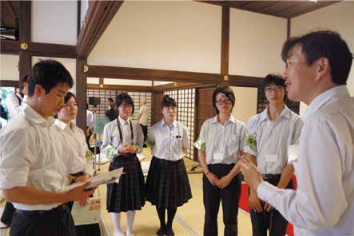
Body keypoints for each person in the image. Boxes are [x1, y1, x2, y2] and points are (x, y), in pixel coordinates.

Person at [241, 30, 353, 236]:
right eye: (269, 89)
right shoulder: (345, 110)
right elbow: (250, 152)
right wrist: (255, 187)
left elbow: (316, 213)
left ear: (321, 67)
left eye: (290, 63)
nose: (285, 74)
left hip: (279, 184)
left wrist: (262, 187)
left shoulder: (316, 122)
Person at [0, 60, 95, 236]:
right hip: (35, 223)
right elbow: (13, 192)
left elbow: (49, 171)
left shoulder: (50, 125)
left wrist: (73, 182)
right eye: (60, 95)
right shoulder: (20, 130)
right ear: (38, 90)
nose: (62, 102)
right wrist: (68, 196)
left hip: (59, 215)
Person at [243, 74, 303, 236]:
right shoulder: (253, 122)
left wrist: (278, 192)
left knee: (278, 231)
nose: (273, 92)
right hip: (258, 179)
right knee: (258, 231)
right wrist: (254, 190)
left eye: (278, 88)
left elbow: (293, 159)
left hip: (282, 182)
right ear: (265, 92)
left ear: (285, 91)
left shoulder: (297, 122)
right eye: (269, 89)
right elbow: (250, 156)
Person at [194, 86, 246, 236]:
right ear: (215, 104)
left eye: (227, 100)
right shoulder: (206, 125)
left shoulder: (241, 127)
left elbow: (244, 156)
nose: (223, 103)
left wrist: (229, 177)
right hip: (210, 173)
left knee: (230, 217)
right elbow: (200, 150)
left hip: (232, 173)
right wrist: (207, 172)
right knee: (210, 216)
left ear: (232, 102)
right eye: (220, 100)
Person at [145, 95, 192, 236]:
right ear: (162, 110)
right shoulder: (153, 129)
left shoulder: (183, 129)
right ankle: (162, 224)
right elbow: (149, 147)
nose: (171, 111)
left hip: (176, 165)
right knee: (159, 199)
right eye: (168, 108)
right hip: (158, 165)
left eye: (173, 108)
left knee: (173, 199)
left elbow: (185, 148)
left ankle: (170, 225)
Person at [55, 92, 100, 235]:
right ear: (57, 108)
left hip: (84, 180)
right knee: (69, 227)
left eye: (74, 104)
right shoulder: (52, 133)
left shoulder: (79, 131)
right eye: (67, 105)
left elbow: (88, 156)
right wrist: (75, 180)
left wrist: (87, 174)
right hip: (65, 185)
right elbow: (53, 166)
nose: (72, 108)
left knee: (88, 224)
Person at [102, 93, 145, 236]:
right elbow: (104, 149)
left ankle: (129, 229)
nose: (127, 109)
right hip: (117, 163)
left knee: (132, 198)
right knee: (115, 197)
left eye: (130, 106)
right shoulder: (109, 126)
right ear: (117, 107)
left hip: (133, 163)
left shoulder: (136, 125)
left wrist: (136, 148)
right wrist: (118, 150)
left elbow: (140, 144)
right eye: (124, 106)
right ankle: (117, 230)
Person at [0, 75, 29, 227]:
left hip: (25, 137)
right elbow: (18, 114)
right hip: (14, 138)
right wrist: (27, 99)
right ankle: (8, 218)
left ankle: (9, 217)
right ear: (24, 86)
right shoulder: (12, 97)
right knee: (15, 182)